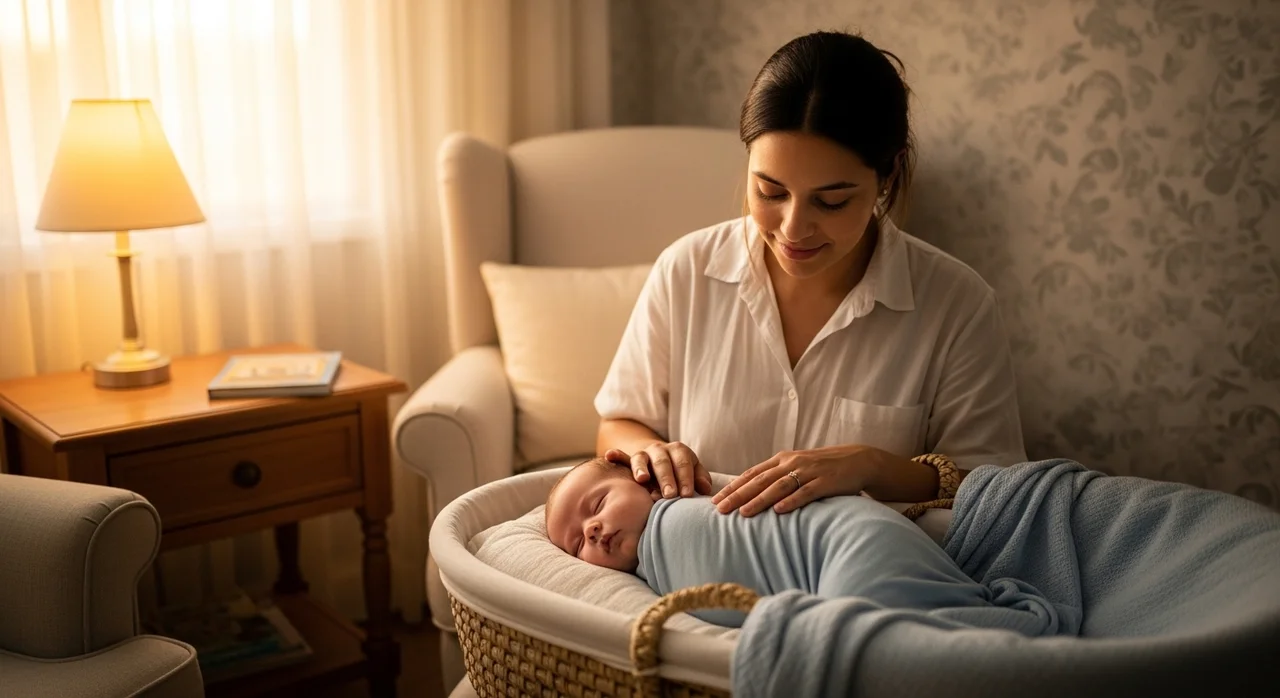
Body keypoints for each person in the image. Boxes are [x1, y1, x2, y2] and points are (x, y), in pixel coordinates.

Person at [595, 30, 1027, 518]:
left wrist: (870, 466)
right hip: (693, 572)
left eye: (832, 200)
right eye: (770, 191)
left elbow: (996, 488)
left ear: (888, 175)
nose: (793, 228)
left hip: (865, 582)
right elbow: (620, 422)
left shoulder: (958, 304)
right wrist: (647, 452)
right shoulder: (686, 270)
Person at [544, 458, 1063, 634]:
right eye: (575, 545)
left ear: (647, 485)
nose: (590, 531)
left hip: (853, 541)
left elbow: (986, 481)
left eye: (596, 505)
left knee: (880, 633)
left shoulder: (674, 522)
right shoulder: (645, 569)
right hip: (845, 549)